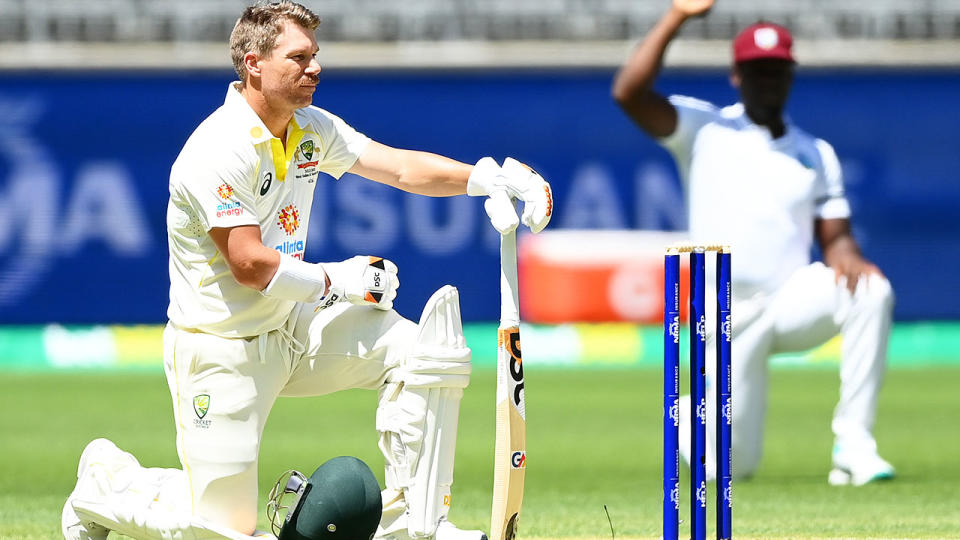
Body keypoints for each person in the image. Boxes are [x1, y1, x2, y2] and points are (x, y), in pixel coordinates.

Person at [62, 2, 553, 539]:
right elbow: (249, 264)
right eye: (298, 58)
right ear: (253, 63)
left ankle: (420, 522)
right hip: (221, 349)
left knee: (422, 355)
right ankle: (104, 484)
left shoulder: (310, 128)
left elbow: (400, 168)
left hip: (293, 324)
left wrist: (485, 178)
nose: (314, 67)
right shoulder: (215, 150)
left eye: (315, 56)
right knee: (221, 531)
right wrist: (341, 282)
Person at [612, 0, 895, 486]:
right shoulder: (704, 129)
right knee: (734, 467)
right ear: (736, 76)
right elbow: (629, 93)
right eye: (757, 70)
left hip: (788, 300)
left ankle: (854, 446)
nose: (768, 80)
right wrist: (676, 17)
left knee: (872, 291)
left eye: (776, 70)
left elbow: (837, 238)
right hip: (725, 315)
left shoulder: (814, 152)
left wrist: (847, 256)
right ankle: (692, 414)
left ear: (790, 76)